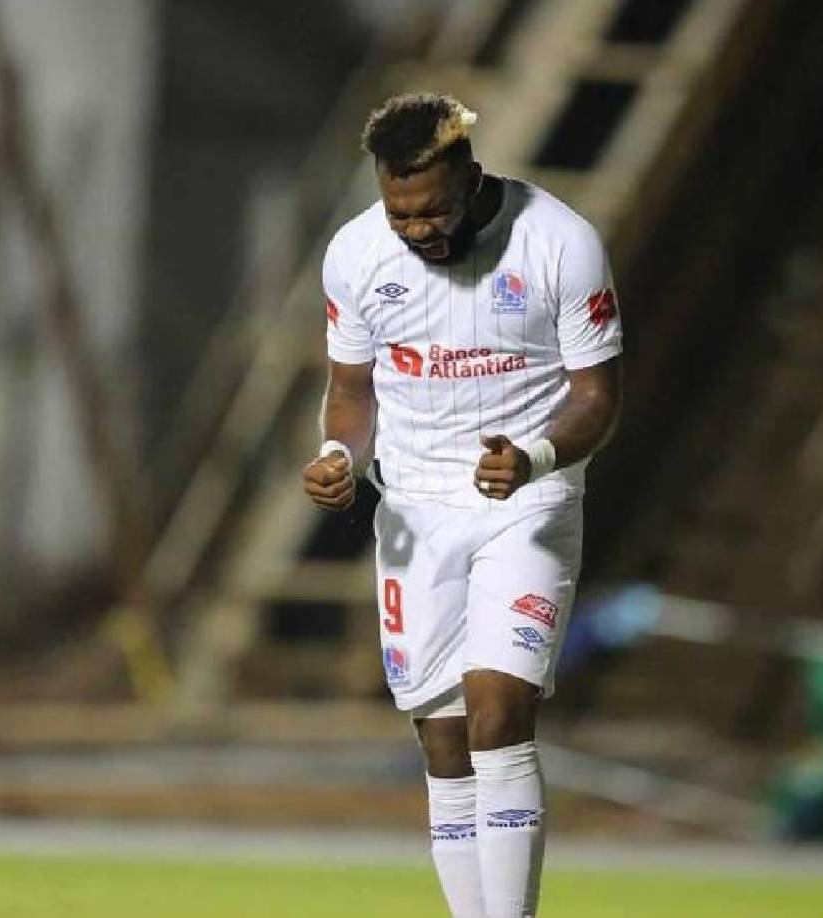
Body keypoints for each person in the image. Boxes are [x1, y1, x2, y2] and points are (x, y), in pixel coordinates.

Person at [302, 92, 622, 918]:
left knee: (498, 713)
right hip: (414, 513)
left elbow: (597, 396)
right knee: (444, 740)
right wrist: (341, 454)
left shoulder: (561, 243)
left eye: (433, 210)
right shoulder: (356, 255)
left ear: (471, 176)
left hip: (528, 502)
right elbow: (349, 392)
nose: (418, 230)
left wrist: (535, 457)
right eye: (400, 213)